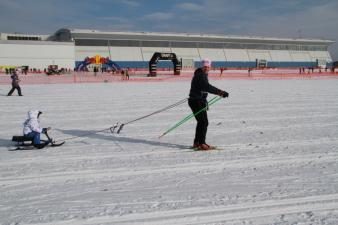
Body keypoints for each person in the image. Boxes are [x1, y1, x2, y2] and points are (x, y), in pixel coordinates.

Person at [188, 59, 229, 150]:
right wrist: (220, 92)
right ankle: (201, 143)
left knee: (202, 122)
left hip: (198, 100)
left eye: (208, 66)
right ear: (202, 66)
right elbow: (206, 87)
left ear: (210, 67)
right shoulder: (200, 75)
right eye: (205, 66)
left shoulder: (202, 74)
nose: (206, 68)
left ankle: (197, 142)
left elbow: (205, 87)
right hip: (196, 101)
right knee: (203, 122)